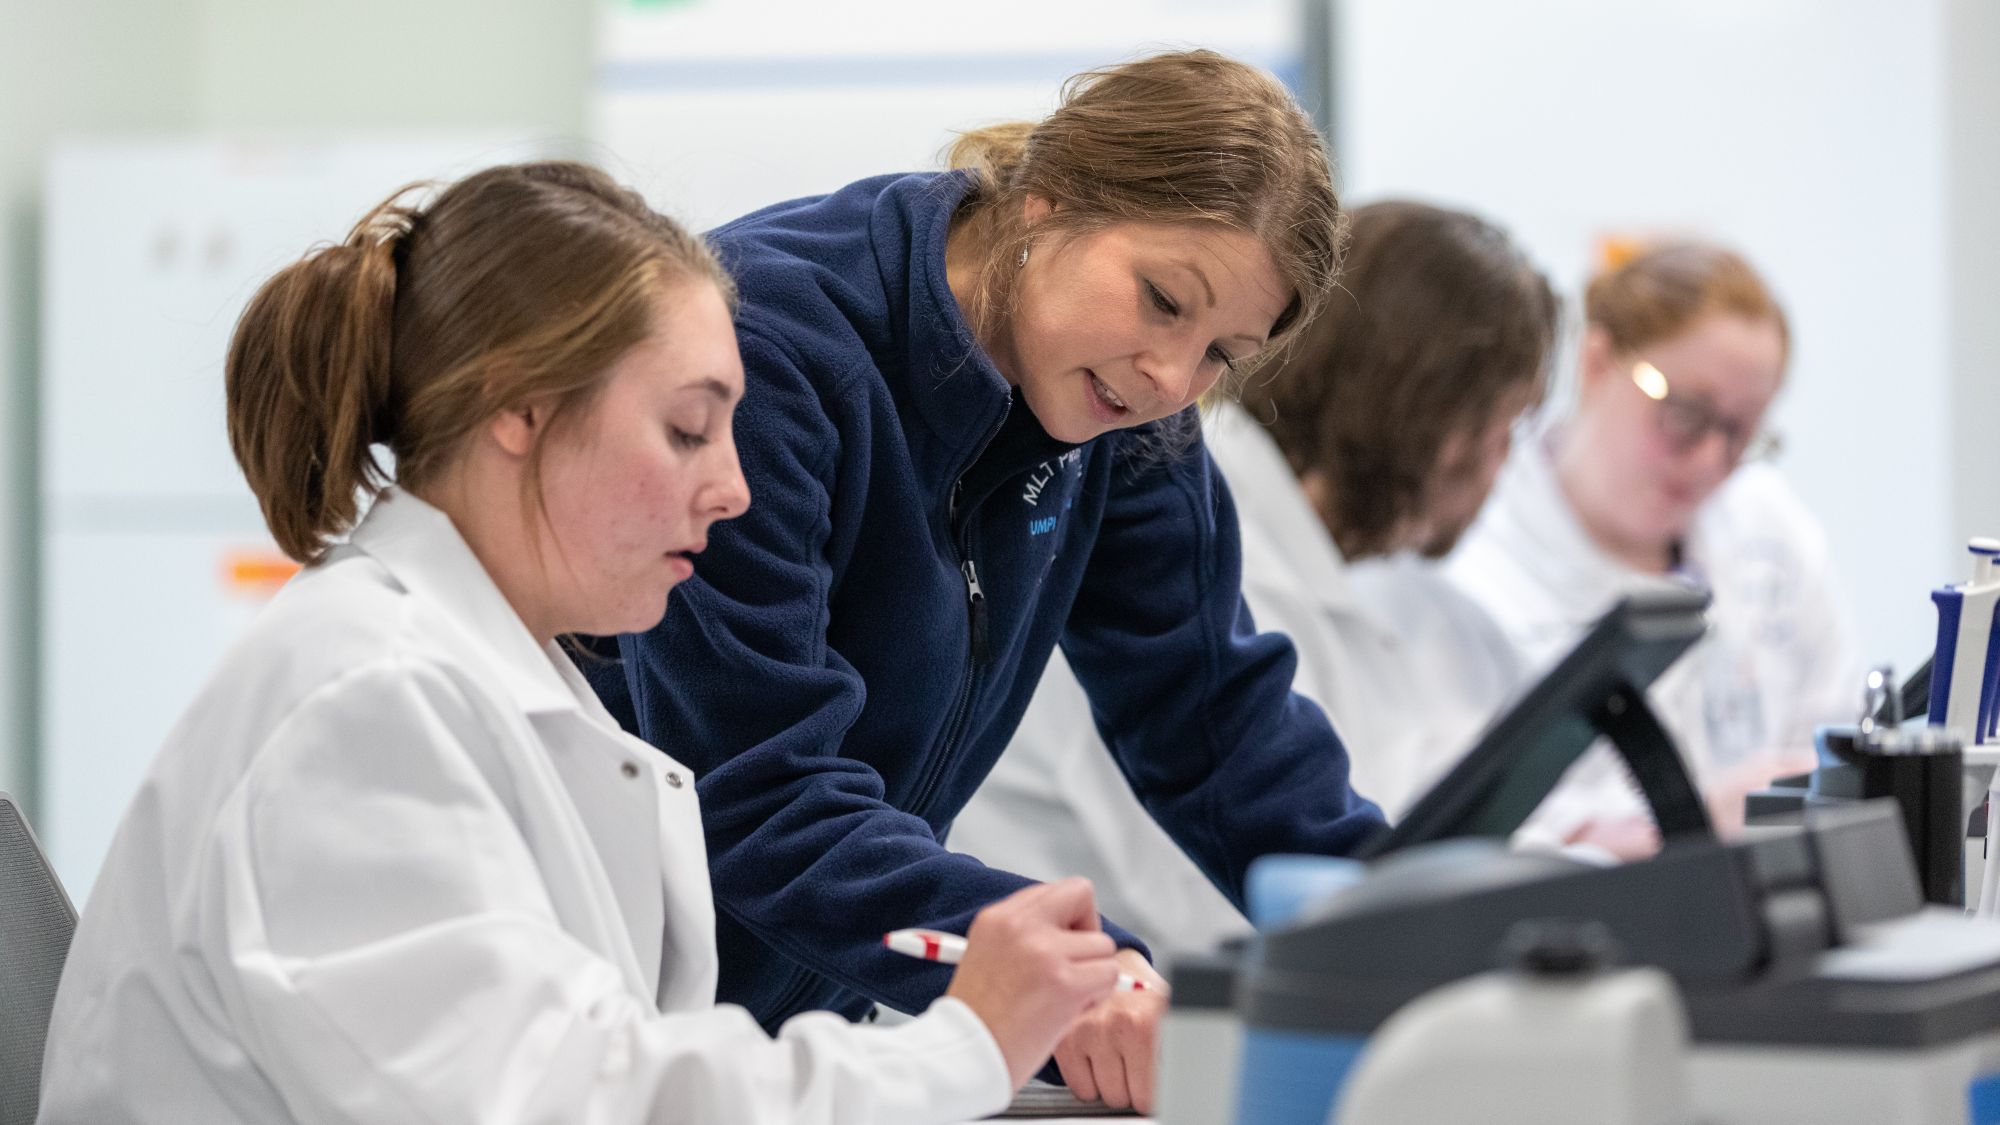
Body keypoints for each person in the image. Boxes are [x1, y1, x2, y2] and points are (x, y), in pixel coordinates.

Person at [38, 161, 1127, 1125]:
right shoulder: (365, 702)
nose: (734, 487)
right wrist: (966, 1045)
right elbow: (575, 1102)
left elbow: (610, 1060)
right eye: (687, 430)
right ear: (523, 410)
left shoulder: (489, 679)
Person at [585, 50, 1383, 1113]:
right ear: (1044, 203)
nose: (1167, 378)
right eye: (1158, 300)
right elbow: (761, 800)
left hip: (807, 1037)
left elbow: (1211, 723)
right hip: (614, 1014)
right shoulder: (770, 351)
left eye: (1218, 355)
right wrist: (1072, 974)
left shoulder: (1127, 417)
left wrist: (1408, 927)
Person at [953, 200, 1560, 956]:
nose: (1505, 463)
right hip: (1044, 1021)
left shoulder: (1335, 566)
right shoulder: (1198, 544)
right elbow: (1233, 905)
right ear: (1438, 417)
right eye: (1507, 423)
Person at [1446, 240, 1861, 851]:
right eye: (1686, 413)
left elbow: (1837, 736)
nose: (1711, 460)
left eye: (1740, 433)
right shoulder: (1479, 558)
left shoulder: (1770, 531)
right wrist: (1674, 829)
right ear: (1597, 363)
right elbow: (1463, 832)